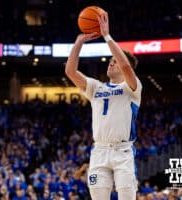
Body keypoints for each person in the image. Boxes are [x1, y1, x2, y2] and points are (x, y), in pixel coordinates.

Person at [65, 10, 142, 200]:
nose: (111, 64)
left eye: (114, 61)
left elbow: (126, 66)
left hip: (123, 152)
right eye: (110, 61)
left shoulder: (132, 87)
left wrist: (107, 36)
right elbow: (71, 71)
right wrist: (78, 43)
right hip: (99, 151)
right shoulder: (95, 87)